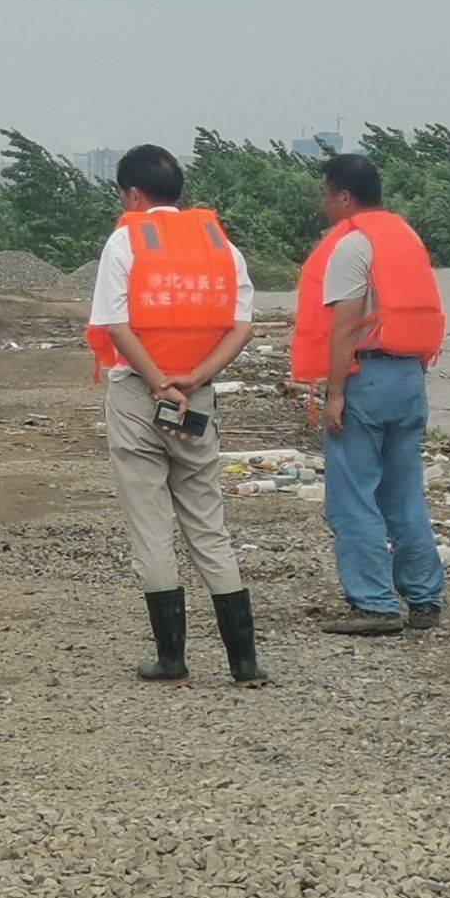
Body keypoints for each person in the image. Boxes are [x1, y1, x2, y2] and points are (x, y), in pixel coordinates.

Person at [83, 143, 264, 688]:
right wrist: (195, 377)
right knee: (208, 527)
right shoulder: (219, 244)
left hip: (142, 397)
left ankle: (172, 660)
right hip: (198, 398)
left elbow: (116, 325)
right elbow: (243, 326)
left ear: (132, 194)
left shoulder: (126, 239)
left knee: (152, 527)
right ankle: (244, 664)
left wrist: (160, 382)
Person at [289, 154, 449, 637]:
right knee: (403, 495)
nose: (323, 204)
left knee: (352, 498)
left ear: (344, 196)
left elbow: (343, 330)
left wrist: (335, 395)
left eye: (325, 194)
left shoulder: (353, 245)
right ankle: (425, 600)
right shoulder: (407, 236)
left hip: (368, 378)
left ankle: (375, 605)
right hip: (410, 378)